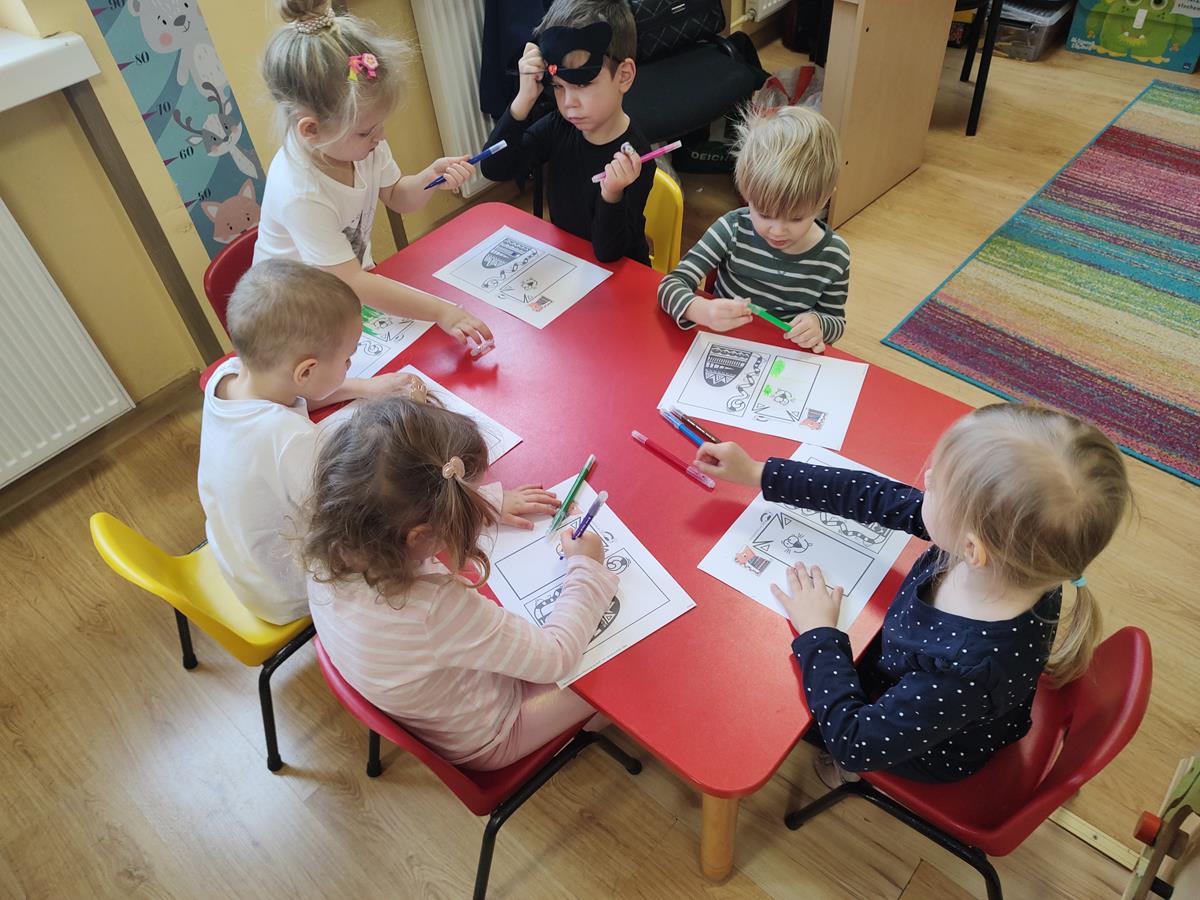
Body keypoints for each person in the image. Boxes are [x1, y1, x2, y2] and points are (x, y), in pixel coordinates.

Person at [694, 403, 1132, 784]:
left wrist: (818, 632)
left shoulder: (968, 671)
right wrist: (759, 473)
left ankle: (841, 778)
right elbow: (875, 495)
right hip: (912, 681)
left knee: (762, 709)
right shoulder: (1022, 559)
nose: (927, 479)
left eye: (936, 486)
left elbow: (855, 744)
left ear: (971, 549)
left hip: (926, 748)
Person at [304, 397, 618, 770]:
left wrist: (484, 503)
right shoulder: (431, 609)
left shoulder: (329, 545)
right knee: (617, 664)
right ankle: (589, 727)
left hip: (437, 706)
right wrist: (585, 567)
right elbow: (555, 658)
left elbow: (411, 506)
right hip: (496, 735)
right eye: (463, 506)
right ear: (420, 534)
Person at [198, 259, 426, 624]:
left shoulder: (229, 377)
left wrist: (367, 388)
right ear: (305, 370)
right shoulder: (292, 440)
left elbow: (295, 394)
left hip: (238, 559)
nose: (350, 366)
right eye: (348, 359)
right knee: (407, 554)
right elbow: (362, 511)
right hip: (287, 591)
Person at [256, 0, 492, 347]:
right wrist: (443, 311)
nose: (381, 136)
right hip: (294, 320)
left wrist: (430, 178)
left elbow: (396, 195)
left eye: (380, 125)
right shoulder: (300, 192)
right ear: (311, 130)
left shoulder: (360, 143)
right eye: (368, 131)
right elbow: (352, 281)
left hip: (344, 293)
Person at [659, 106, 849, 352]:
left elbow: (836, 322)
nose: (777, 231)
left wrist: (818, 324)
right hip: (724, 346)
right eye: (764, 214)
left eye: (796, 219)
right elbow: (670, 285)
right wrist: (701, 310)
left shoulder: (835, 255)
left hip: (786, 358)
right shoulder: (732, 228)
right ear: (746, 193)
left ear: (824, 199)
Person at [480, 0, 655, 265]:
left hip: (619, 274)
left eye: (582, 84)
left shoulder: (635, 158)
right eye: (559, 86)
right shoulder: (558, 126)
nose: (569, 102)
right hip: (568, 264)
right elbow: (494, 168)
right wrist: (523, 99)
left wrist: (612, 194)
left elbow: (608, 253)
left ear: (623, 76)